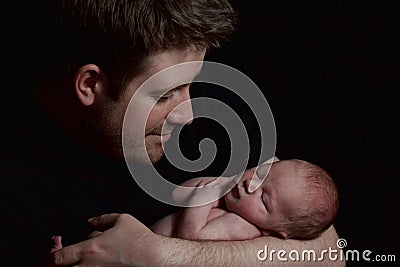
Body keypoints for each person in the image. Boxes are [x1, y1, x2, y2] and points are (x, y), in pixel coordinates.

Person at [1, 0, 344, 266]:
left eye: (193, 84)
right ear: (91, 84)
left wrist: (159, 256)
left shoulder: (214, 128)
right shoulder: (18, 185)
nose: (191, 115)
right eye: (165, 94)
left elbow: (327, 249)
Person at [151, 159, 339, 241]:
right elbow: (178, 194)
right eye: (260, 173)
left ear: (272, 229)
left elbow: (190, 238)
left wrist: (204, 198)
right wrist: (212, 187)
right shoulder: (234, 198)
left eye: (263, 198)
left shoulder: (241, 225)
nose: (250, 184)